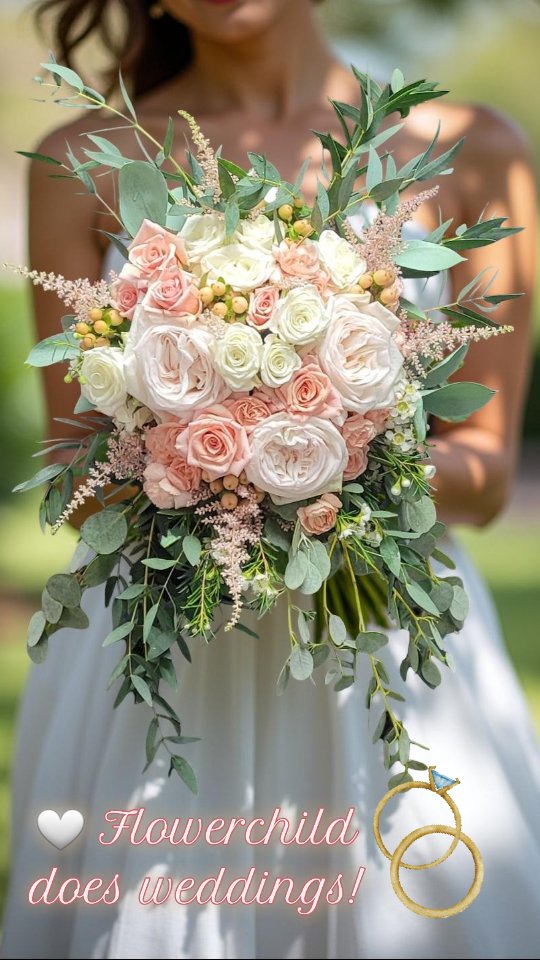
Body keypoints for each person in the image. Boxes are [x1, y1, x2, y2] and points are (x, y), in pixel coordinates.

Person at [2, 1, 539, 957]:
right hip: (162, 652)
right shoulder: (78, 162)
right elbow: (75, 471)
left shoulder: (472, 150)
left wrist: (325, 448)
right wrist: (214, 449)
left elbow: (488, 473)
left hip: (383, 643)